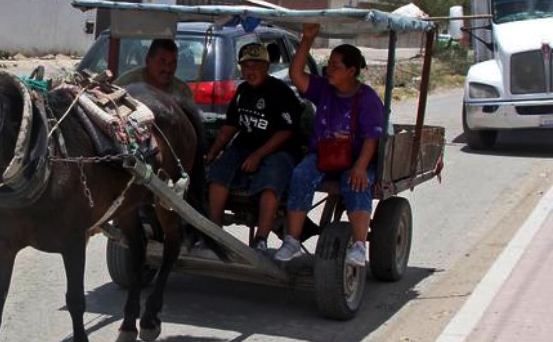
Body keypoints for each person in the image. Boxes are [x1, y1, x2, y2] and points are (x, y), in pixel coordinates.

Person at [274, 23, 385, 267]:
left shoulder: (368, 99)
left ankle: (358, 245)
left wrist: (360, 167)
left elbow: (372, 138)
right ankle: (292, 241)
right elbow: (296, 75)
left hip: (356, 157)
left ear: (351, 71)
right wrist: (307, 40)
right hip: (324, 155)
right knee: (301, 174)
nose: (329, 70)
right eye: (329, 64)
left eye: (336, 66)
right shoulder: (324, 89)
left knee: (355, 182)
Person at [205, 42, 305, 252]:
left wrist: (259, 155)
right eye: (246, 66)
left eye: (256, 66)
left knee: (270, 182)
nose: (251, 71)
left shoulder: (280, 92)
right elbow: (230, 126)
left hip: (281, 149)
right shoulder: (242, 91)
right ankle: (212, 231)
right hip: (245, 146)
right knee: (218, 174)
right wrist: (212, 153)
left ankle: (261, 239)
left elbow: (286, 130)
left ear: (267, 67)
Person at [114, 38, 194, 100]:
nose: (167, 68)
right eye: (162, 61)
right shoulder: (125, 84)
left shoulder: (183, 91)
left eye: (173, 63)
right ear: (148, 61)